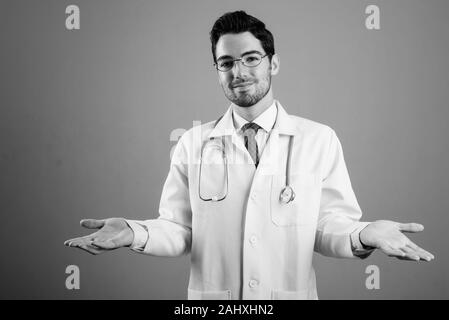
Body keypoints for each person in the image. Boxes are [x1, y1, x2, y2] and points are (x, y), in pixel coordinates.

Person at [64, 10, 434, 300]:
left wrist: (366, 233)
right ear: (217, 71)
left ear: (273, 63)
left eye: (251, 58)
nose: (238, 72)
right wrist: (134, 232)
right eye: (226, 63)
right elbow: (179, 230)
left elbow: (326, 228)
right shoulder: (193, 143)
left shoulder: (319, 139)